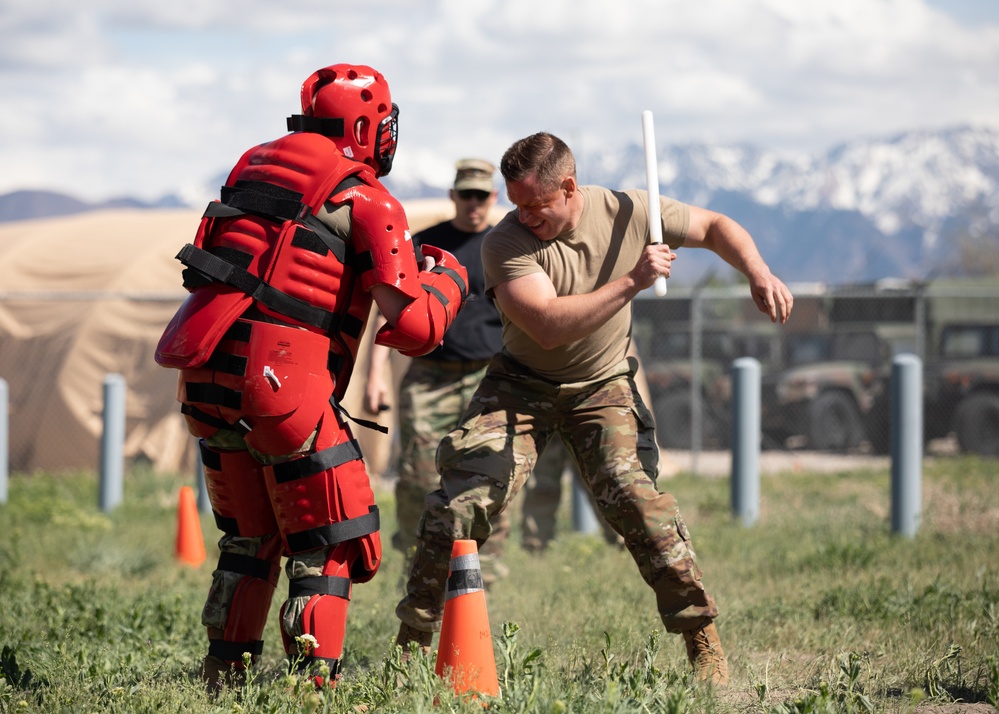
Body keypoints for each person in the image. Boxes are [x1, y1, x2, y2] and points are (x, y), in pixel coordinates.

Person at [394, 131, 794, 686]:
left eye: (535, 205)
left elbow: (714, 226)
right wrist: (636, 279)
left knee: (636, 500)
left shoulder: (629, 211)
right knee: (459, 505)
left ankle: (703, 641)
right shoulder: (504, 244)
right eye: (515, 204)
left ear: (569, 187)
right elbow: (549, 326)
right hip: (521, 384)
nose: (523, 216)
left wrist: (757, 270)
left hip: (602, 385)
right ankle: (411, 647)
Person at [153, 63, 469, 693]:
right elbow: (416, 329)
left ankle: (223, 677)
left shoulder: (252, 171)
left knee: (250, 539)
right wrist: (450, 276)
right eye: (383, 122)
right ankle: (311, 690)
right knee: (334, 543)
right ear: (365, 125)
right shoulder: (368, 200)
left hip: (208, 380)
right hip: (281, 387)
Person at [363, 158, 513, 586]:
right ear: (453, 196)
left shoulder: (503, 245)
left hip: (487, 376)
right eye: (465, 194)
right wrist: (376, 377)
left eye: (481, 195)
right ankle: (415, 558)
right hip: (430, 376)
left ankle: (489, 570)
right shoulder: (427, 246)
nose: (473, 203)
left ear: (493, 197)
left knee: (493, 472)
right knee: (417, 474)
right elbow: (387, 313)